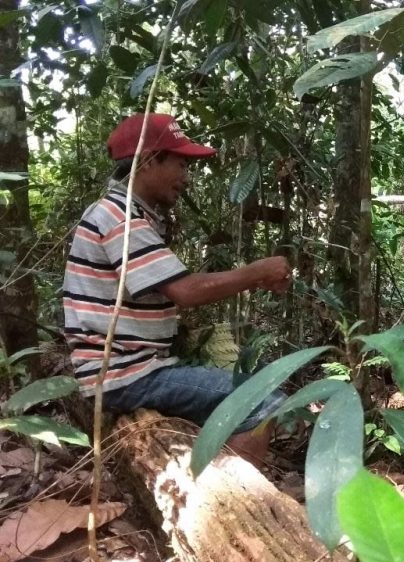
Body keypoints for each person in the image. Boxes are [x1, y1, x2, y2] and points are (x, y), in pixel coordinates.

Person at [63, 113, 292, 465]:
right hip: (126, 376)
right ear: (148, 160)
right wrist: (257, 271)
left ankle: (219, 480)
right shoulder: (119, 217)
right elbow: (185, 291)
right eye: (180, 164)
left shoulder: (128, 214)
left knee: (242, 390)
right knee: (262, 398)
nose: (186, 177)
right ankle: (232, 503)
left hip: (129, 371)